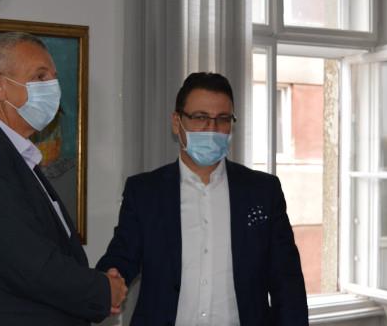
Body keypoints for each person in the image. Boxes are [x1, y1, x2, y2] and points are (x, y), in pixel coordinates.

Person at [0, 32, 127, 325]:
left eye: (53, 78)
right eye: (40, 77)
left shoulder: (7, 151)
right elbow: (27, 264)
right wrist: (103, 290)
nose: (52, 88)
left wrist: (98, 285)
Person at [96, 72, 308, 325]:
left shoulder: (263, 191)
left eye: (223, 119)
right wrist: (109, 280)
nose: (212, 129)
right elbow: (122, 256)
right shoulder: (145, 192)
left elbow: (287, 282)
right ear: (177, 122)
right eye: (200, 117)